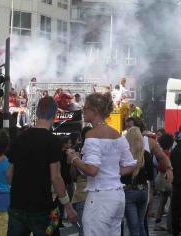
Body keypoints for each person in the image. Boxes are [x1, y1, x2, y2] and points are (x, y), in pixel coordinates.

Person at [66, 92, 137, 236]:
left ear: (94, 111)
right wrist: (113, 173)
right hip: (117, 196)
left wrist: (74, 159)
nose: (83, 111)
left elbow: (92, 170)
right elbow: (130, 165)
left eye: (85, 108)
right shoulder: (117, 134)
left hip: (100, 197)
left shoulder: (92, 134)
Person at [6, 96, 77, 236]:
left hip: (17, 206)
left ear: (37, 112)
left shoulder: (19, 139)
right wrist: (68, 206)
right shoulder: (53, 142)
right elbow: (56, 177)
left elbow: (8, 174)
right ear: (55, 114)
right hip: (42, 208)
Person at [122, 127, 154, 236]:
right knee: (140, 224)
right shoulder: (146, 154)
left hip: (129, 191)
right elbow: (151, 175)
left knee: (133, 226)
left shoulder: (124, 155)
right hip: (143, 191)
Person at [70, 126, 92, 236]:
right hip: (82, 195)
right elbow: (73, 175)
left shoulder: (98, 151)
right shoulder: (78, 151)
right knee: (83, 229)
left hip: (97, 196)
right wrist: (75, 161)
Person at [154, 133, 174, 232]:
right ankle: (170, 225)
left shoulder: (159, 153)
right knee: (172, 202)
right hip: (168, 178)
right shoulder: (170, 154)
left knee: (162, 202)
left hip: (160, 177)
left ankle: (157, 223)